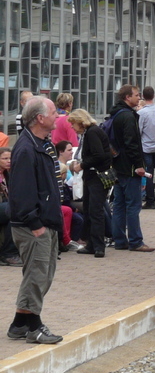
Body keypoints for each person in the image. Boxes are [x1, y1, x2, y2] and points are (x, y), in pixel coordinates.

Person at [7, 97, 63, 344]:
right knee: (38, 276)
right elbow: (21, 192)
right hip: (33, 227)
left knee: (41, 274)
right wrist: (35, 224)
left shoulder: (40, 144)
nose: (56, 116)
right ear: (40, 118)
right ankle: (34, 327)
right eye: (53, 112)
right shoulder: (26, 149)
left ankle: (18, 325)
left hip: (43, 223)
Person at [108, 85, 155, 253]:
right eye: (136, 95)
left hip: (118, 166)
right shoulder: (128, 117)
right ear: (127, 97)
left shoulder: (115, 114)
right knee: (133, 205)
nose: (139, 98)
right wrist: (139, 165)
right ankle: (136, 241)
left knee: (119, 205)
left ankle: (120, 240)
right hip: (129, 168)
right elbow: (132, 143)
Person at [67, 109, 113, 258]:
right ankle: (91, 244)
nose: (72, 128)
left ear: (80, 122)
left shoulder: (92, 133)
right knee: (88, 208)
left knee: (95, 210)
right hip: (91, 176)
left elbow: (98, 155)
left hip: (96, 176)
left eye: (73, 124)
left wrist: (82, 165)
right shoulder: (89, 132)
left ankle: (98, 246)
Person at [0, 149, 22, 267]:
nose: (9, 161)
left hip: (5, 206)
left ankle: (10, 252)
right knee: (15, 209)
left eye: (10, 158)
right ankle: (8, 253)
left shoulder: (8, 174)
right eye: (5, 159)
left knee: (18, 212)